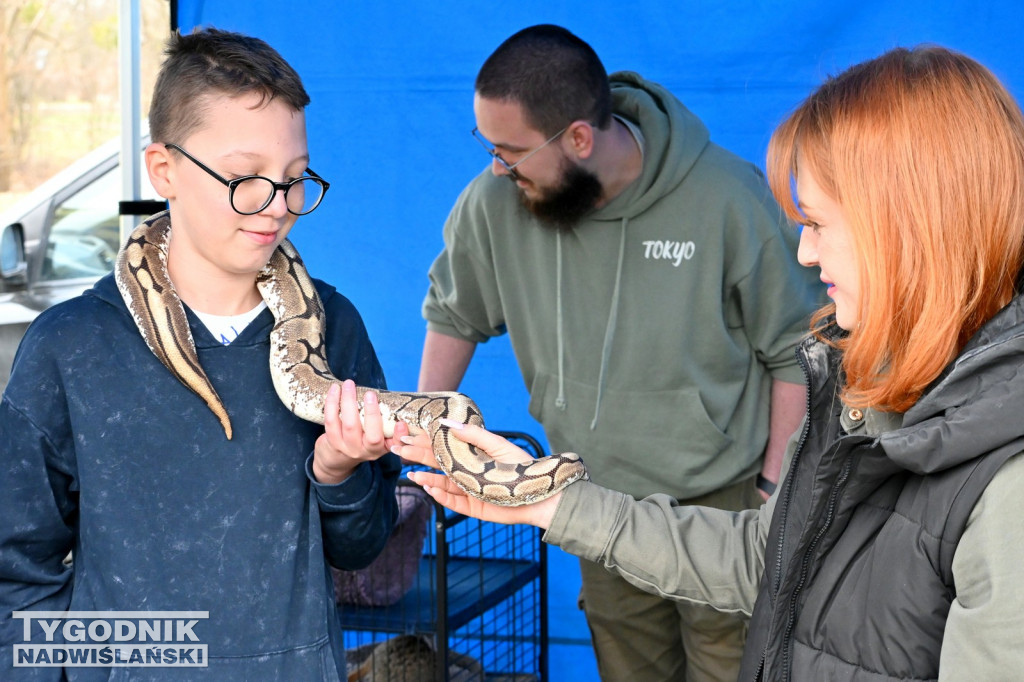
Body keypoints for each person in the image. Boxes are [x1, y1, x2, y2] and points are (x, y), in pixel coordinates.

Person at [397, 45, 1024, 680]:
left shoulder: (1005, 486)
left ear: (908, 229)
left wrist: (769, 483)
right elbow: (773, 558)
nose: (803, 253)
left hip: (721, 490)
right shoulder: (860, 390)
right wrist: (545, 502)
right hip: (609, 501)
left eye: (817, 223)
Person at [417, 23, 822, 681]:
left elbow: (795, 349)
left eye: (511, 150)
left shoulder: (727, 196)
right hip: (591, 502)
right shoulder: (493, 204)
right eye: (488, 146)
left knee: (733, 670)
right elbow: (453, 314)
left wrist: (772, 489)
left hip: (722, 508)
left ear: (578, 137)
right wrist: (429, 431)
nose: (496, 165)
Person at [0, 28, 400, 679]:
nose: (277, 207)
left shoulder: (333, 327)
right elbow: (14, 573)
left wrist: (338, 472)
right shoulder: (71, 348)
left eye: (296, 180)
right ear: (165, 171)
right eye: (246, 178)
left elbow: (363, 548)